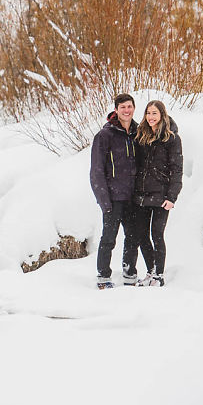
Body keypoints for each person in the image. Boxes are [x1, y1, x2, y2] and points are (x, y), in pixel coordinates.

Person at [127, 100, 183, 287]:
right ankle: (151, 271)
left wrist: (171, 197)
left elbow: (176, 169)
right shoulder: (141, 137)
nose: (150, 117)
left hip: (161, 196)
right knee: (142, 235)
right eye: (148, 113)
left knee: (157, 235)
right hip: (141, 196)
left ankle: (159, 275)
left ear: (162, 115)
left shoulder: (171, 139)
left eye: (154, 113)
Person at [90, 93, 139, 289]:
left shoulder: (138, 132)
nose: (127, 110)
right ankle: (103, 277)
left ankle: (129, 274)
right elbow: (96, 170)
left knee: (132, 238)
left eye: (129, 106)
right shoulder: (105, 135)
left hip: (133, 198)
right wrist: (103, 199)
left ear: (134, 108)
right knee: (109, 238)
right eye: (123, 107)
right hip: (113, 197)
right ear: (116, 110)